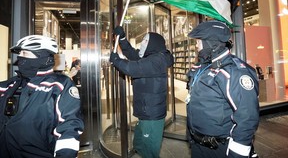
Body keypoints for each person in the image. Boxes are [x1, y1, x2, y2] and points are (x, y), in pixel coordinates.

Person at [0, 35, 84, 158]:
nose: (20, 58)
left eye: (25, 53)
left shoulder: (59, 85)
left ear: (43, 57)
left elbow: (70, 127)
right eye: (20, 53)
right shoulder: (10, 85)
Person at [185, 20, 259, 158]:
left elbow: (247, 117)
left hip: (219, 149)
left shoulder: (235, 72)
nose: (196, 45)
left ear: (210, 42)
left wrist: (237, 154)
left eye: (198, 41)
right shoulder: (205, 66)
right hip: (198, 144)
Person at [109, 26, 174, 158]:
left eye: (145, 41)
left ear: (153, 44)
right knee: (140, 144)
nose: (142, 43)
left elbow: (133, 68)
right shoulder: (150, 57)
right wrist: (122, 39)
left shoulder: (157, 60)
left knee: (149, 149)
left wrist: (116, 60)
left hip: (151, 114)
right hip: (146, 109)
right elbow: (133, 54)